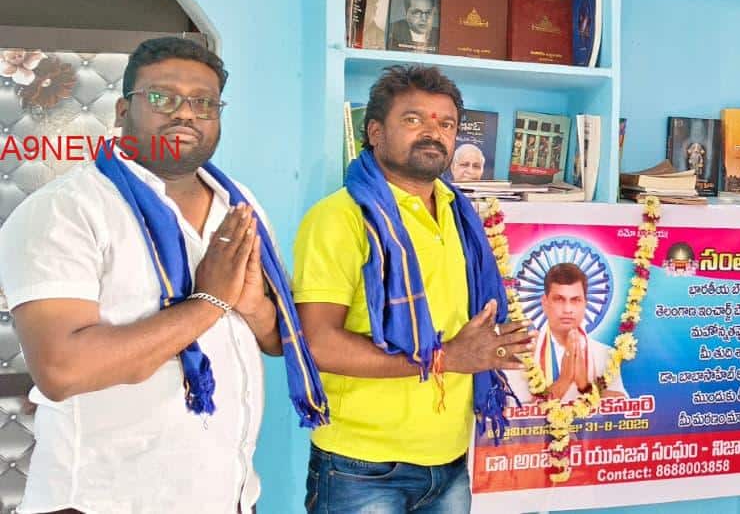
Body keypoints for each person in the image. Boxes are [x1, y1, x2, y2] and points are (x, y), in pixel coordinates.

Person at [0, 37, 327, 513]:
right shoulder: (64, 210)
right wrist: (209, 302)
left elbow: (280, 340)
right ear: (121, 110)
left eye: (204, 102)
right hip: (105, 502)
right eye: (162, 97)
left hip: (230, 497)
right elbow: (61, 370)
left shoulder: (240, 205)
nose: (186, 113)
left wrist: (254, 306)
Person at [293, 65, 529, 512]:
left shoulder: (460, 216)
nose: (433, 132)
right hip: (361, 467)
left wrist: (491, 345)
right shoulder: (341, 217)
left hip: (450, 459)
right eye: (413, 119)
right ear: (375, 132)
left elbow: (458, 325)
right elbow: (316, 343)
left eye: (447, 124)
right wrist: (447, 357)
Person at [504, 262, 627, 404]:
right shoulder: (522, 354)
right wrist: (565, 379)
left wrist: (584, 386)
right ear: (545, 302)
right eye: (559, 299)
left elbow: (623, 407)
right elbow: (516, 411)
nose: (567, 309)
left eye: (575, 300)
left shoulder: (606, 354)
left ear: (585, 304)